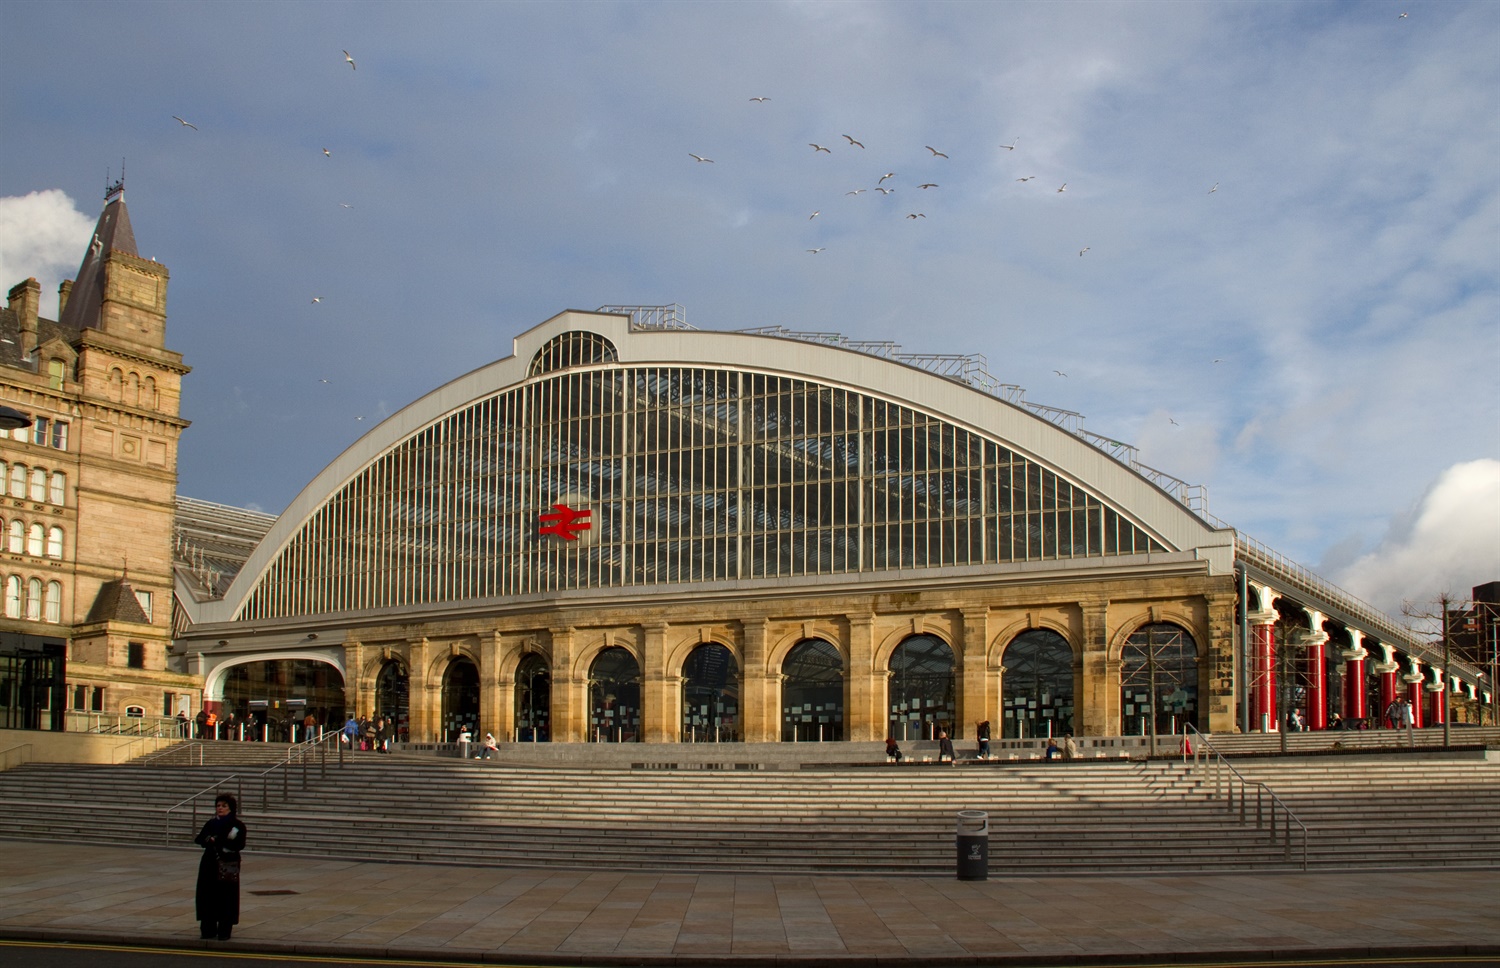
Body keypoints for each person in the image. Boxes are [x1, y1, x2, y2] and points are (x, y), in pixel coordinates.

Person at [193, 793, 246, 941]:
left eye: (224, 806)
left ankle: (224, 929)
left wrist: (219, 840)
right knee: (207, 895)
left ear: (231, 808)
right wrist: (209, 840)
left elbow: (239, 844)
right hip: (210, 863)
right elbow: (199, 839)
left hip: (228, 863)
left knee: (226, 896)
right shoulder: (211, 823)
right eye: (218, 806)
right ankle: (208, 929)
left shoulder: (237, 825)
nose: (220, 809)